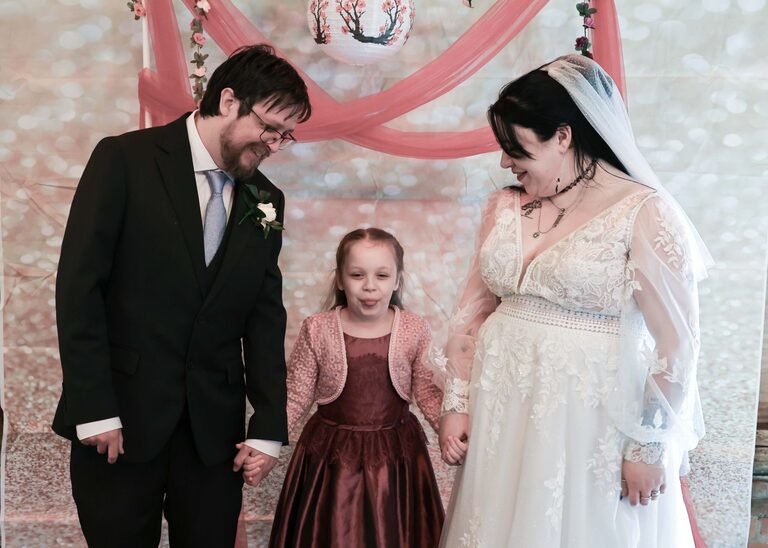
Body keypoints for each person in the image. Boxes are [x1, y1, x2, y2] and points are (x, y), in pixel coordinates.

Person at [437, 54, 712, 547]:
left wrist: (647, 446)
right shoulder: (502, 206)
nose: (504, 162)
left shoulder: (644, 213)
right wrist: (456, 401)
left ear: (562, 136)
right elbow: (471, 312)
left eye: (514, 147)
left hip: (589, 422)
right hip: (502, 411)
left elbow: (678, 344)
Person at [52, 44, 311, 547]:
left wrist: (268, 425)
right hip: (119, 424)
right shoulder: (123, 159)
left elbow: (264, 316)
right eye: (270, 128)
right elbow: (80, 288)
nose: (276, 146)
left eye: (287, 136)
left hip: (213, 438)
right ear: (230, 100)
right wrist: (94, 407)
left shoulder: (266, 200)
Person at [243, 228, 445, 547]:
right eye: (357, 274)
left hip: (395, 460)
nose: (369, 286)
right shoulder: (318, 328)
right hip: (332, 460)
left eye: (381, 275)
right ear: (340, 279)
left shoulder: (414, 328)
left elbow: (428, 392)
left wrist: (452, 433)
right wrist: (264, 444)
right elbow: (295, 395)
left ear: (397, 280)